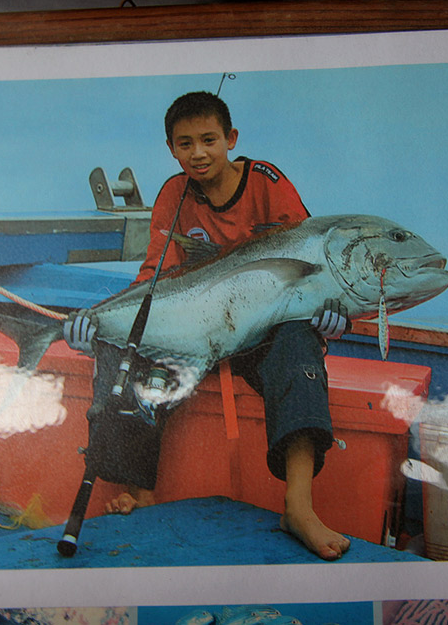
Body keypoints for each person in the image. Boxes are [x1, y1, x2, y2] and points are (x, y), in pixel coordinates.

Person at [65, 91, 352, 560]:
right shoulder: (173, 195)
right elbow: (154, 276)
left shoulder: (268, 182)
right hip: (197, 332)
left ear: (230, 139)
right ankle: (140, 489)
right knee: (126, 352)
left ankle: (298, 505)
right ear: (171, 149)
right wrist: (100, 325)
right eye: (184, 144)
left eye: (208, 140)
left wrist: (331, 311)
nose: (198, 153)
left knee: (300, 347)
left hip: (262, 331)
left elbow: (308, 262)